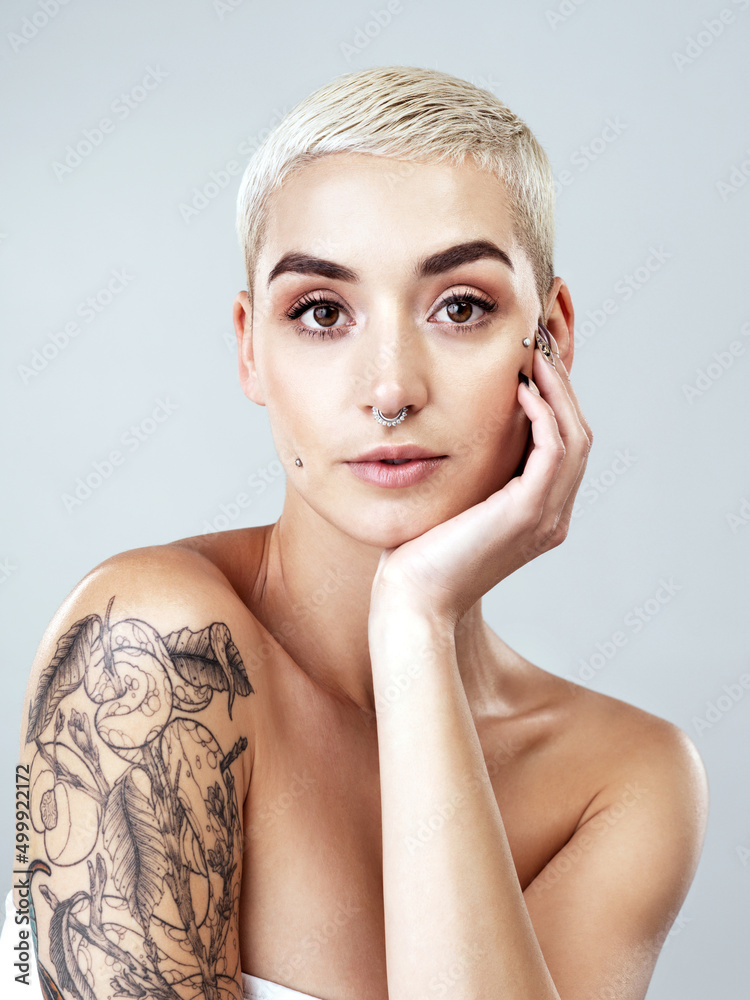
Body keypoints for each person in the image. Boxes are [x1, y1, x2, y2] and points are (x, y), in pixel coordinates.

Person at [7, 65, 708, 1000]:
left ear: (552, 337)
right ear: (252, 347)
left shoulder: (626, 779)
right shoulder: (153, 649)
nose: (390, 389)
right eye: (322, 313)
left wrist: (414, 623)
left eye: (460, 307)